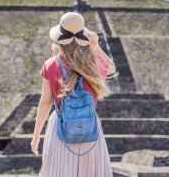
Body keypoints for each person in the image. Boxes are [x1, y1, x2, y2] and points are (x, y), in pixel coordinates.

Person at [30, 12, 118, 177]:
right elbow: (112, 68)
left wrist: (36, 137)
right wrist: (95, 46)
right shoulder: (93, 62)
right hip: (89, 127)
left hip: (61, 127)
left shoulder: (51, 64)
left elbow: (45, 103)